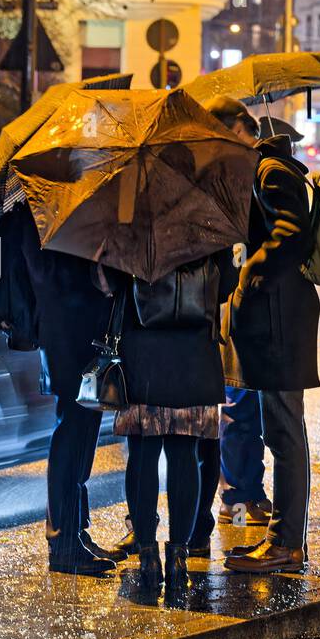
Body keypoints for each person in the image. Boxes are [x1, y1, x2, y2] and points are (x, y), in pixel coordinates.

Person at [207, 95, 319, 574]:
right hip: (274, 317)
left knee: (285, 431)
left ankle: (288, 544)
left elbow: (291, 234)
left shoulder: (270, 170)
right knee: (279, 427)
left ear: (239, 127)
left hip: (279, 318)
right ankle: (284, 540)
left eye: (220, 134)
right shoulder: (261, 170)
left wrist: (249, 273)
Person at [0, 203, 127, 576]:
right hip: (70, 325)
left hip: (69, 325)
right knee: (73, 425)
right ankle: (63, 540)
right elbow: (54, 271)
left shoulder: (49, 203)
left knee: (82, 425)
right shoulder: (42, 207)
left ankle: (75, 530)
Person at [115, 251, 238, 603]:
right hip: (193, 350)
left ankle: (148, 557)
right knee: (185, 452)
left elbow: (111, 282)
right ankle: (179, 559)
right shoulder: (208, 215)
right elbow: (227, 283)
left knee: (143, 452)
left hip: (143, 347)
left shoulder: (133, 214)